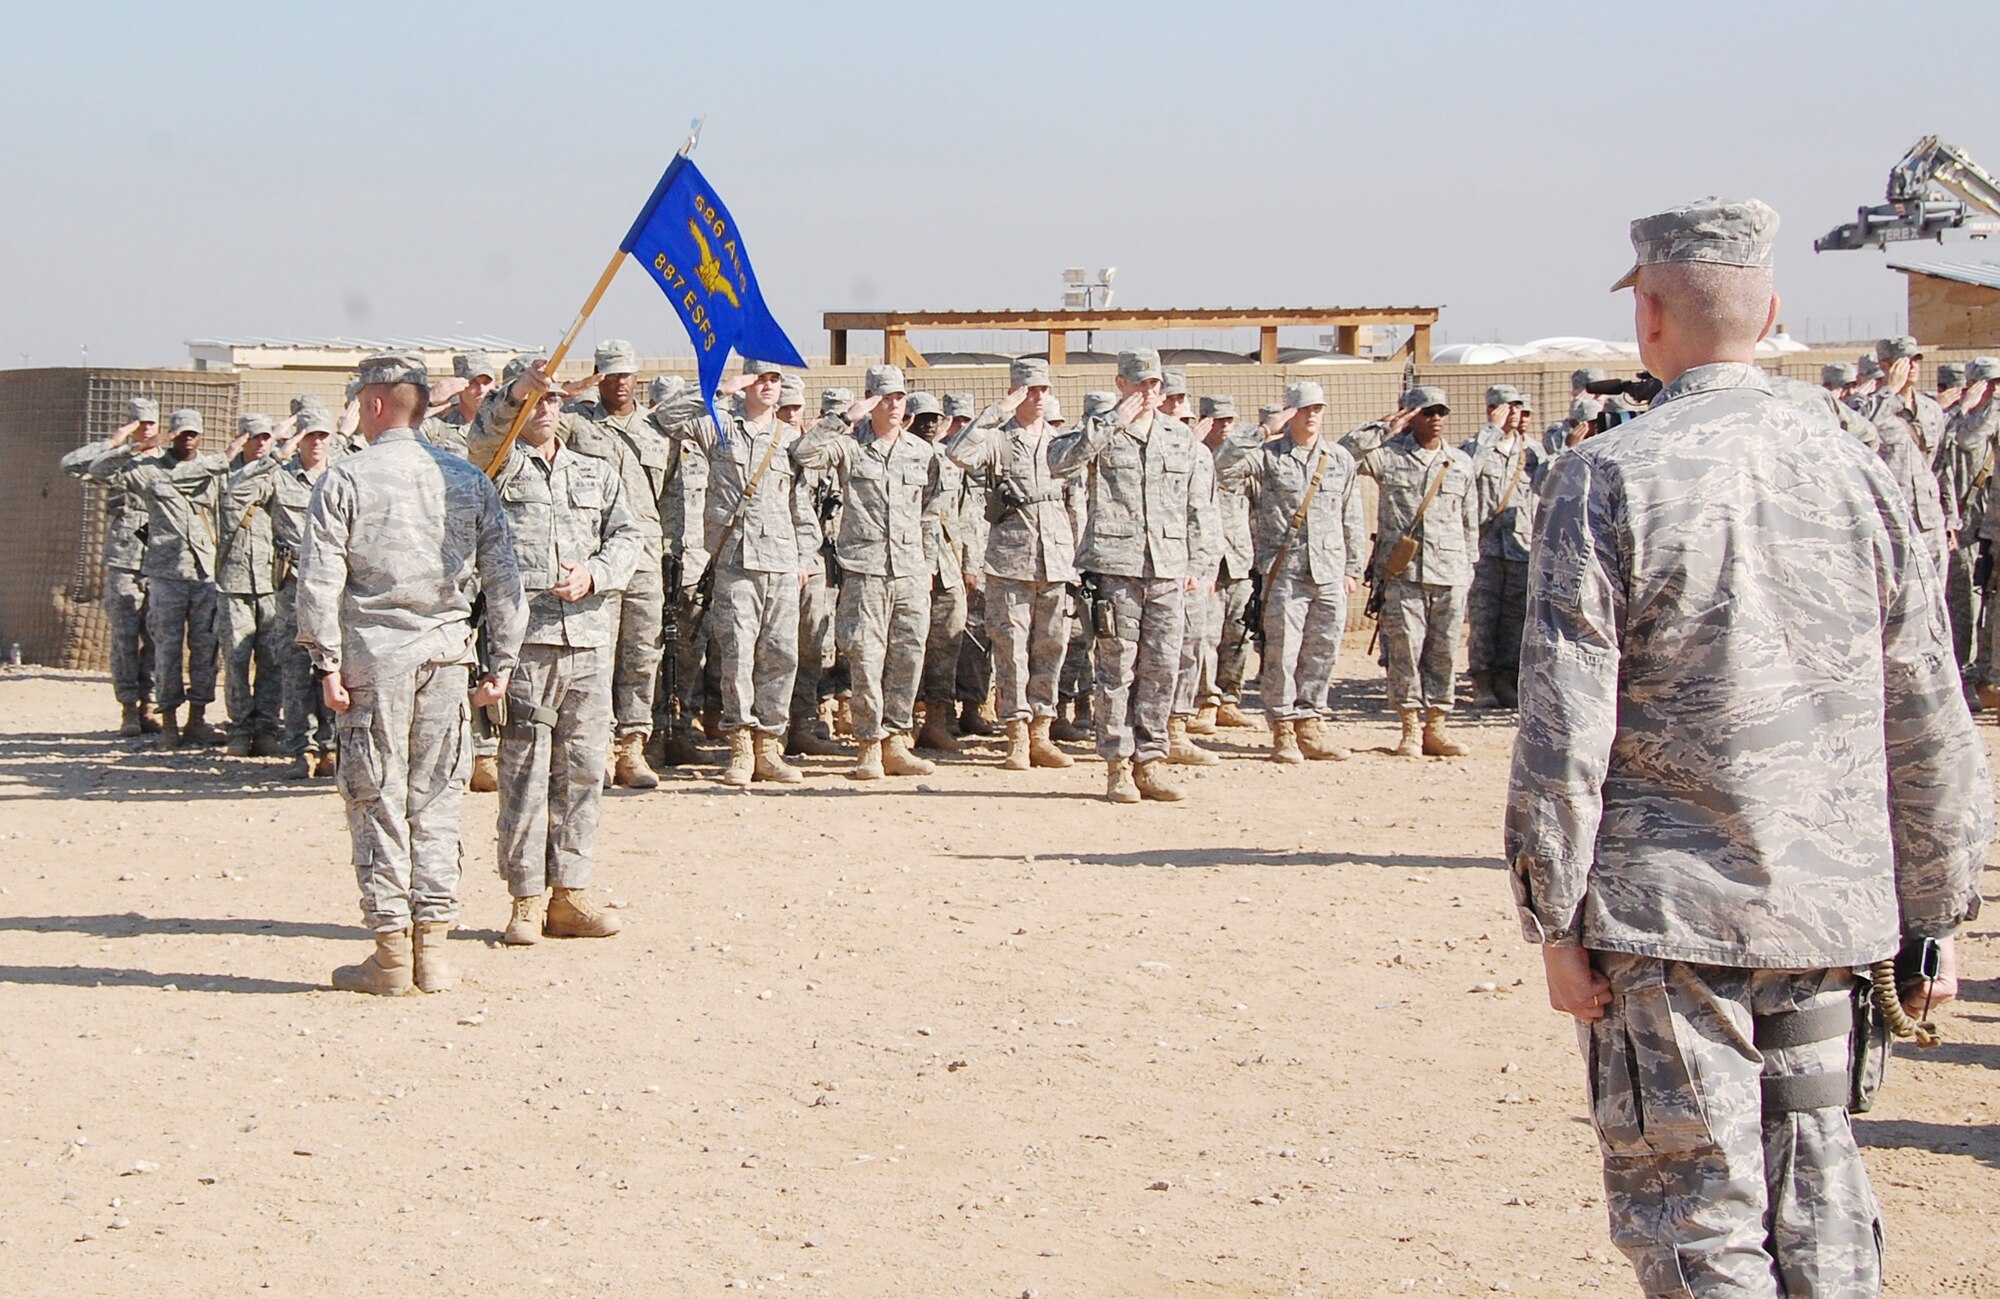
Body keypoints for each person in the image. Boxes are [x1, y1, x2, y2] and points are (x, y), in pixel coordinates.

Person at [1508, 197, 1991, 1299]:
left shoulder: (1607, 477)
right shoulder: (1869, 473)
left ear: (1648, 322)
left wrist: (1550, 916)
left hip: (1668, 920)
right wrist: (1937, 911)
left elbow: (1562, 724)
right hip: (1831, 910)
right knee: (1818, 1189)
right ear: (1770, 312)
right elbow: (1926, 705)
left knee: (1696, 1208)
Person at [295, 352, 526, 995]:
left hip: (375, 659)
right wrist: (501, 662)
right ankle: (435, 950)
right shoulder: (466, 479)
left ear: (372, 404)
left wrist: (326, 662)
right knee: (437, 800)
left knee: (377, 797)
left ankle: (392, 952)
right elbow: (504, 581)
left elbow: (321, 579)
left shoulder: (346, 478)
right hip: (447, 659)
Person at [469, 363, 642, 944]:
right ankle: (523, 898)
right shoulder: (495, 468)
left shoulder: (595, 471)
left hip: (589, 641)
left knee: (584, 771)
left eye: (551, 402)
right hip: (525, 646)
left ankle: (569, 894)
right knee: (524, 774)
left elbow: (627, 535)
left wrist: (594, 575)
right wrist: (516, 389)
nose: (543, 410)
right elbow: (485, 436)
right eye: (533, 402)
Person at [1049, 349, 1204, 803]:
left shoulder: (1180, 437)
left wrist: (1197, 563)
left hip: (1168, 568)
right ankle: (1118, 764)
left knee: (1161, 668)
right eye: (1139, 384)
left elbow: (1197, 504)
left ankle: (1151, 761)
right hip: (1115, 568)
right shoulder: (1102, 429)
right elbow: (1060, 462)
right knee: (1116, 669)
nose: (1149, 392)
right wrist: (1112, 420)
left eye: (1155, 384)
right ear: (1121, 383)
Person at [654, 358, 816, 787]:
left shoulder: (789, 438)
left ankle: (769, 746)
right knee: (737, 656)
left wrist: (805, 558)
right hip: (735, 561)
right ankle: (740, 745)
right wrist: (725, 386)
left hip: (782, 562)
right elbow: (665, 418)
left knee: (782, 655)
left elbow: (800, 504)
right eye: (760, 378)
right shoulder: (720, 425)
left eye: (774, 380)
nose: (768, 386)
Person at [796, 365, 943, 781]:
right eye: (885, 397)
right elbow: (804, 454)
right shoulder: (849, 447)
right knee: (865, 658)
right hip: (866, 571)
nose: (894, 405)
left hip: (910, 571)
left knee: (908, 655)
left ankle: (897, 741)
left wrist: (926, 561)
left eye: (899, 397)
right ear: (871, 399)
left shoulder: (921, 452)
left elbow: (931, 509)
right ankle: (868, 744)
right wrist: (845, 418)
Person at [942, 359, 1088, 769]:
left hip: (1056, 559)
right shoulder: (999, 440)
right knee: (1010, 650)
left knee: (1051, 647)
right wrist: (998, 412)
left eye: (1044, 389)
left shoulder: (1061, 442)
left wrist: (1077, 556)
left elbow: (1076, 502)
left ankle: (1042, 729)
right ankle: (1017, 734)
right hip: (1010, 560)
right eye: (1030, 390)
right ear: (1016, 391)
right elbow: (958, 452)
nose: (1038, 397)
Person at [1214, 380, 1365, 762]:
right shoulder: (1267, 457)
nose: (1311, 415)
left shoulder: (1339, 458)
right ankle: (1282, 726)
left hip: (1328, 570)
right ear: (1289, 414)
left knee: (1323, 649)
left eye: (1317, 408)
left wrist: (1352, 566)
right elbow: (1222, 468)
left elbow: (1351, 513)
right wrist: (1262, 430)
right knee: (1282, 653)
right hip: (1285, 572)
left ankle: (1311, 722)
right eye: (1303, 409)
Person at [88, 409, 237, 750]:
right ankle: (167, 721)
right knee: (166, 650)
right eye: (181, 433)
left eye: (193, 434)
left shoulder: (212, 472)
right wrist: (131, 447)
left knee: (206, 649)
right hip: (167, 575)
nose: (187, 439)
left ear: (200, 436)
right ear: (170, 435)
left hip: (204, 573)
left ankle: (197, 719)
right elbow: (98, 472)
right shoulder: (148, 472)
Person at [1343, 388, 1478, 757]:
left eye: (1441, 411)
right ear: (1412, 416)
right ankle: (1410, 728)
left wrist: (1469, 569)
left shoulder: (1461, 463)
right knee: (1404, 652)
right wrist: (1384, 427)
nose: (1436, 418)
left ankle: (1437, 726)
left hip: (1450, 573)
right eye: (1427, 412)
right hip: (1402, 574)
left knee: (1444, 651)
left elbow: (1470, 522)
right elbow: (1345, 456)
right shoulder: (1388, 456)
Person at [564, 339, 670, 790]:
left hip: (645, 556)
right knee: (598, 656)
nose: (620, 382)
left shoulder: (657, 428)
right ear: (598, 377)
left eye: (627, 373)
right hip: (599, 557)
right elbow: (530, 413)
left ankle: (632, 747)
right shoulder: (578, 424)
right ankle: (598, 746)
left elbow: (675, 492)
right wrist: (571, 390)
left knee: (642, 655)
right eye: (610, 374)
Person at [231, 406, 340, 778]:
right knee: (295, 668)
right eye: (310, 436)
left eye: (323, 435)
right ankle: (301, 749)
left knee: (334, 665)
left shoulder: (343, 474)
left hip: (335, 586)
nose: (317, 443)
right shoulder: (280, 477)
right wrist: (279, 449)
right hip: (292, 583)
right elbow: (237, 489)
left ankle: (331, 746)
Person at [62, 398, 160, 736]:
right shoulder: (116, 463)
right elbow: (72, 466)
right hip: (123, 560)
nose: (146, 430)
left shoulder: (167, 462)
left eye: (150, 424)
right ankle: (129, 709)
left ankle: (150, 705)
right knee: (124, 638)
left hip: (160, 563)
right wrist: (115, 443)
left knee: (157, 639)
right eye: (139, 424)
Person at [1461, 389, 1546, 709]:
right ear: (1491, 410)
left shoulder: (1532, 450)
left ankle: (1507, 679)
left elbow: (1547, 480)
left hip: (1520, 545)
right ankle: (1482, 681)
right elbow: (1467, 471)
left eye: (1517, 407)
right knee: (1483, 617)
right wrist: (1491, 433)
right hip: (1485, 545)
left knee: (1515, 617)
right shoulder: (1477, 445)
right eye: (1506, 407)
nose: (1512, 413)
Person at [214, 415, 289, 756]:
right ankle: (240, 729)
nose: (261, 444)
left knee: (271, 658)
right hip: (234, 584)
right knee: (237, 659)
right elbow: (234, 492)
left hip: (271, 581)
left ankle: (267, 727)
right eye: (255, 438)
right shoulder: (224, 476)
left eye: (267, 439)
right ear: (241, 439)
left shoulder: (280, 477)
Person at [1191, 394, 1258, 732]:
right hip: (1209, 563)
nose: (1225, 426)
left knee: (1238, 634)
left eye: (1230, 420)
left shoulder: (1246, 462)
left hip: (1239, 559)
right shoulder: (1197, 457)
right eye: (1218, 420)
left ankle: (1230, 698)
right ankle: (1206, 700)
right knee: (1205, 636)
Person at [910, 392, 973, 754]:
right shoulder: (902, 455)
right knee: (908, 646)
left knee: (947, 642)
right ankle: (906, 724)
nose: (929, 424)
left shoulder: (948, 460)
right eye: (922, 418)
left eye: (935, 418)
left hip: (947, 562)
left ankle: (938, 719)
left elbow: (961, 517)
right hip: (910, 561)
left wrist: (967, 564)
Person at [1860, 336, 1953, 576]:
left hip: (1930, 522)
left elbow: (1942, 467)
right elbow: (1857, 433)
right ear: (1884, 366)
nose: (1912, 366)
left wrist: (1950, 519)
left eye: (1915, 360)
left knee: (1935, 599)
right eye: (1904, 361)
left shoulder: (1930, 409)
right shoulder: (1869, 407)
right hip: (1890, 522)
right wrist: (1890, 391)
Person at [788, 381, 847, 758]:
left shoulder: (818, 452)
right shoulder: (775, 449)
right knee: (773, 650)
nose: (790, 415)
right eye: (784, 408)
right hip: (774, 559)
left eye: (796, 408)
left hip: (815, 558)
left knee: (813, 644)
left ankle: (802, 721)